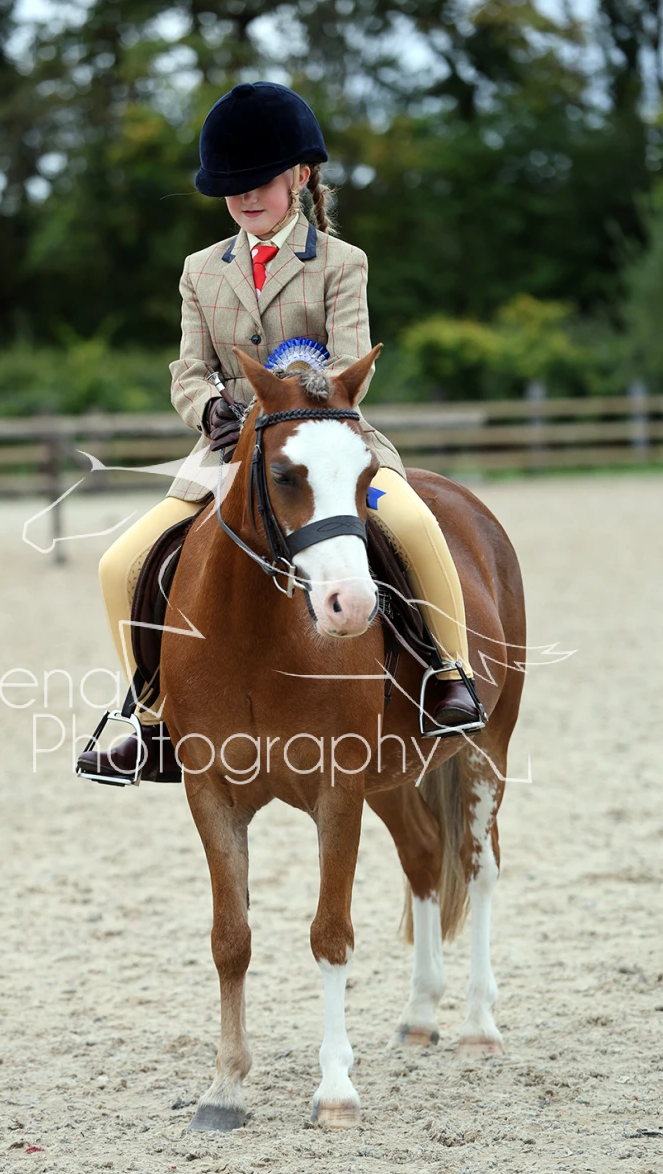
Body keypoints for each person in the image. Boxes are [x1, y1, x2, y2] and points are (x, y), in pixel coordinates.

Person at [79, 81, 484, 786]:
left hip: (326, 448)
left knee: (416, 526)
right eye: (230, 186)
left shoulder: (341, 262)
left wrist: (285, 405)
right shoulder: (201, 271)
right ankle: (152, 721)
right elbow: (187, 369)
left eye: (259, 181)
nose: (244, 196)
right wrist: (207, 408)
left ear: (299, 176)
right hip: (225, 454)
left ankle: (449, 674)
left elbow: (353, 366)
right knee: (120, 564)